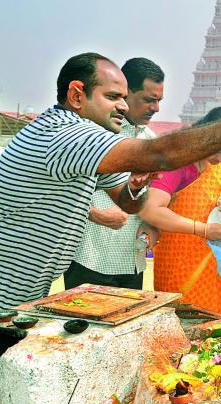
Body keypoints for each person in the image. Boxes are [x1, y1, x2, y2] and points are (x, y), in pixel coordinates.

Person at [0, 52, 221, 311]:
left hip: (35, 285)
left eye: (123, 98)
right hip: (5, 288)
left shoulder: (91, 139)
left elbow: (126, 200)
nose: (122, 107)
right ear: (76, 96)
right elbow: (160, 154)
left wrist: (135, 186)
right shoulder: (66, 135)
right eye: (112, 97)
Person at [139, 107, 221, 314]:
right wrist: (204, 230)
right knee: (183, 315)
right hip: (179, 252)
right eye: (219, 150)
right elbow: (150, 210)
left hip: (219, 255)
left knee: (220, 322)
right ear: (204, 136)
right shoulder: (179, 156)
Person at [65, 57, 165, 290]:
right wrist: (94, 214)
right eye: (149, 100)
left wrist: (153, 226)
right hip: (88, 256)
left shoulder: (152, 142)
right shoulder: (91, 135)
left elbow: (156, 199)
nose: (156, 108)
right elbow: (59, 193)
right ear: (125, 93)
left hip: (132, 261)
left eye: (159, 101)